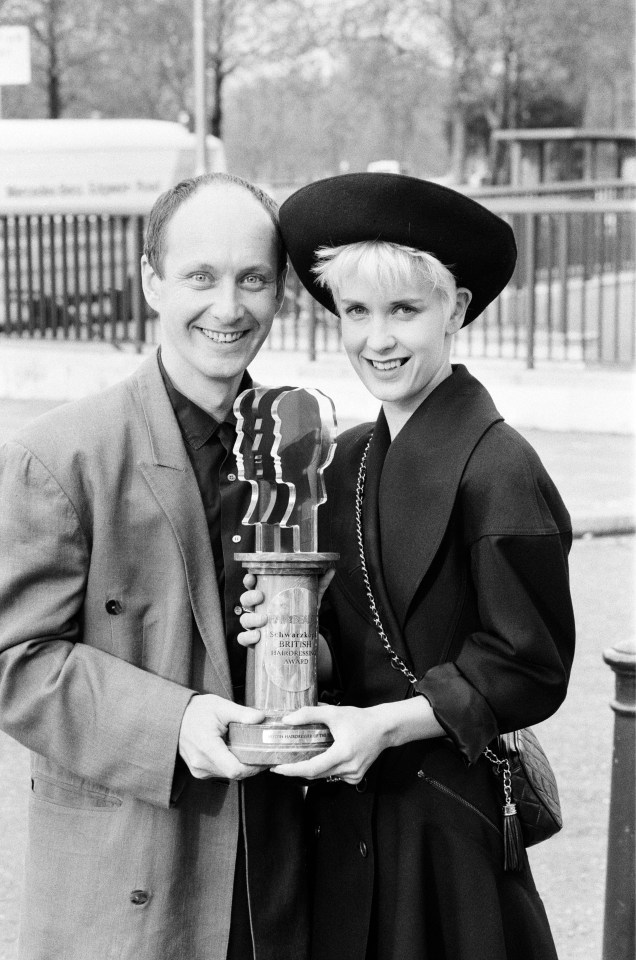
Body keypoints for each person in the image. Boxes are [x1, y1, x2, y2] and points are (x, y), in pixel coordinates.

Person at [238, 173, 576, 960]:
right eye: (356, 311)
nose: (377, 339)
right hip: (345, 824)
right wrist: (297, 645)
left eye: (403, 310)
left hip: (443, 836)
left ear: (455, 310)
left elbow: (528, 667)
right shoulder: (348, 457)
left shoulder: (502, 468)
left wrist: (384, 727)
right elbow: (350, 643)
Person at [0, 172, 309, 960]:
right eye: (200, 276)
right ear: (150, 284)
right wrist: (175, 722)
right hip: (125, 895)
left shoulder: (308, 447)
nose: (229, 307)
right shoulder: (60, 456)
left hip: (280, 886)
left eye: (254, 280)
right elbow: (15, 665)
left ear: (281, 293)